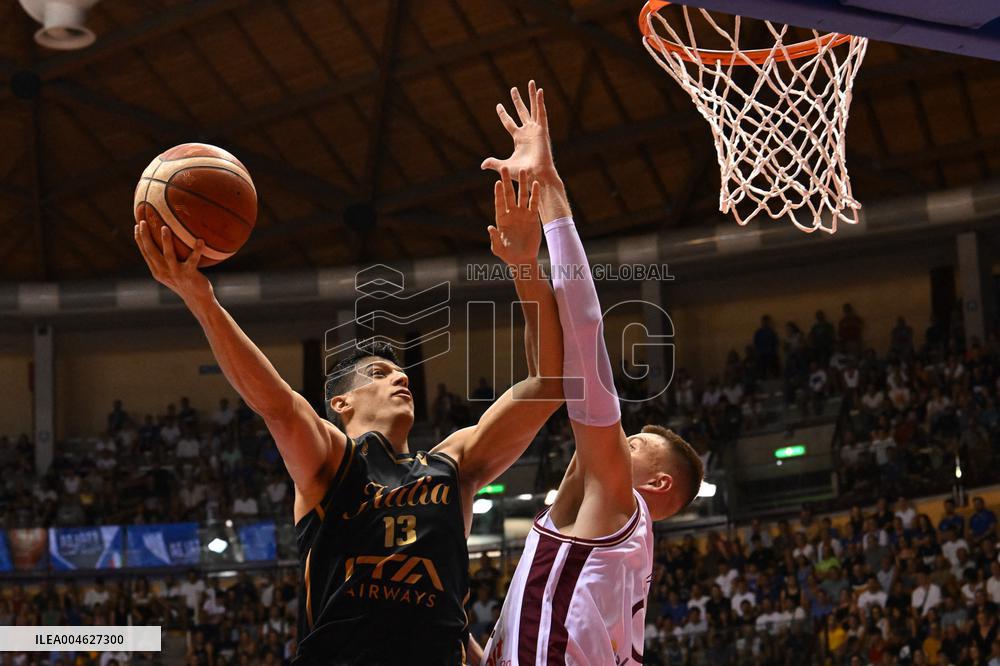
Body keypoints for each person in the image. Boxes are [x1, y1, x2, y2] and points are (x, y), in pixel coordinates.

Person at [133, 164, 565, 664]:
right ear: (341, 402)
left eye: (400, 372)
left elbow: (549, 383)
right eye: (379, 373)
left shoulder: (454, 464)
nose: (400, 378)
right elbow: (276, 403)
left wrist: (524, 264)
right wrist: (202, 301)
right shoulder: (332, 462)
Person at [479, 81, 704, 665]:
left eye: (633, 444)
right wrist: (524, 269)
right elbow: (557, 373)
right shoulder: (608, 547)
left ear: (656, 485)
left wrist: (550, 187)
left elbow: (585, 339)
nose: (616, 438)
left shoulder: (620, 508)